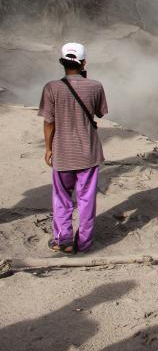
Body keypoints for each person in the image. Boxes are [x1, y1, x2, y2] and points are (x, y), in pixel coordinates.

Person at [38, 42, 108, 254]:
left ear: (62, 62)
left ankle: (64, 240)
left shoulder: (51, 88)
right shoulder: (95, 86)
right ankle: (85, 243)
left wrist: (48, 148)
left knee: (62, 197)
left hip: (63, 152)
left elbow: (49, 122)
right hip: (88, 152)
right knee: (86, 199)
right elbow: (100, 113)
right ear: (84, 62)